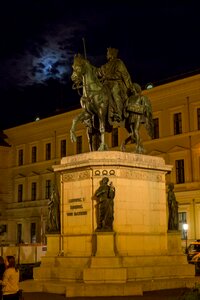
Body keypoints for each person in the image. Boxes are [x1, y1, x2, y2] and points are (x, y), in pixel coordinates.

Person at [96, 47, 136, 122]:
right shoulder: (105, 66)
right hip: (106, 85)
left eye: (108, 53)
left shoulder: (118, 62)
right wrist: (87, 68)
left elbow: (123, 75)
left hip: (117, 83)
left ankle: (119, 113)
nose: (106, 55)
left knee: (114, 92)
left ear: (112, 54)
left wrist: (129, 87)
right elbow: (98, 72)